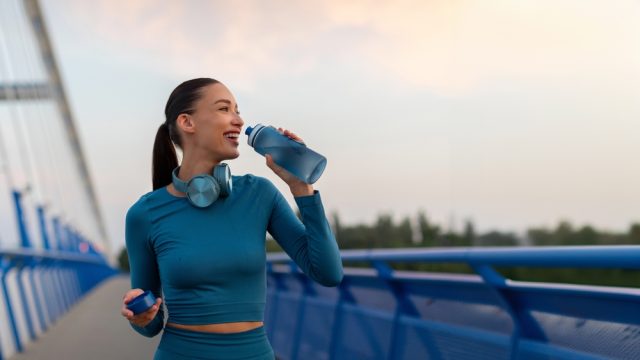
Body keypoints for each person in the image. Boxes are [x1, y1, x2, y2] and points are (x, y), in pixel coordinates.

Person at [120, 78, 344, 359]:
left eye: (238, 110)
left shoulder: (259, 194)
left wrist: (302, 188)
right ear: (187, 123)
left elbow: (328, 273)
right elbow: (150, 325)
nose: (238, 120)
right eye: (225, 109)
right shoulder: (145, 214)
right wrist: (141, 317)